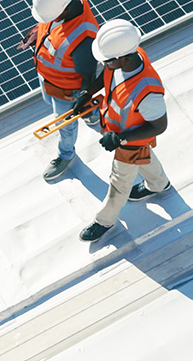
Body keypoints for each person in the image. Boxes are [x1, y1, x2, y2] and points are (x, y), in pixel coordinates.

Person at [73, 19, 172, 243]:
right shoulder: (127, 56)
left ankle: (104, 220)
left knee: (119, 182)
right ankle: (159, 185)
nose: (104, 64)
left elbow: (159, 126)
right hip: (118, 129)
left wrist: (121, 138)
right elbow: (108, 76)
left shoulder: (148, 92)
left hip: (129, 140)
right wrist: (87, 93)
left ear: (123, 57)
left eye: (107, 61)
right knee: (145, 158)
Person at [22, 0, 100, 181]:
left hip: (67, 91)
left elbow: (88, 75)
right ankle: (92, 114)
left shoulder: (83, 38)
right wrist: (35, 33)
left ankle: (66, 154)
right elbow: (49, 26)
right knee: (50, 101)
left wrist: (82, 98)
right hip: (48, 78)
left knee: (65, 125)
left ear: (64, 10)